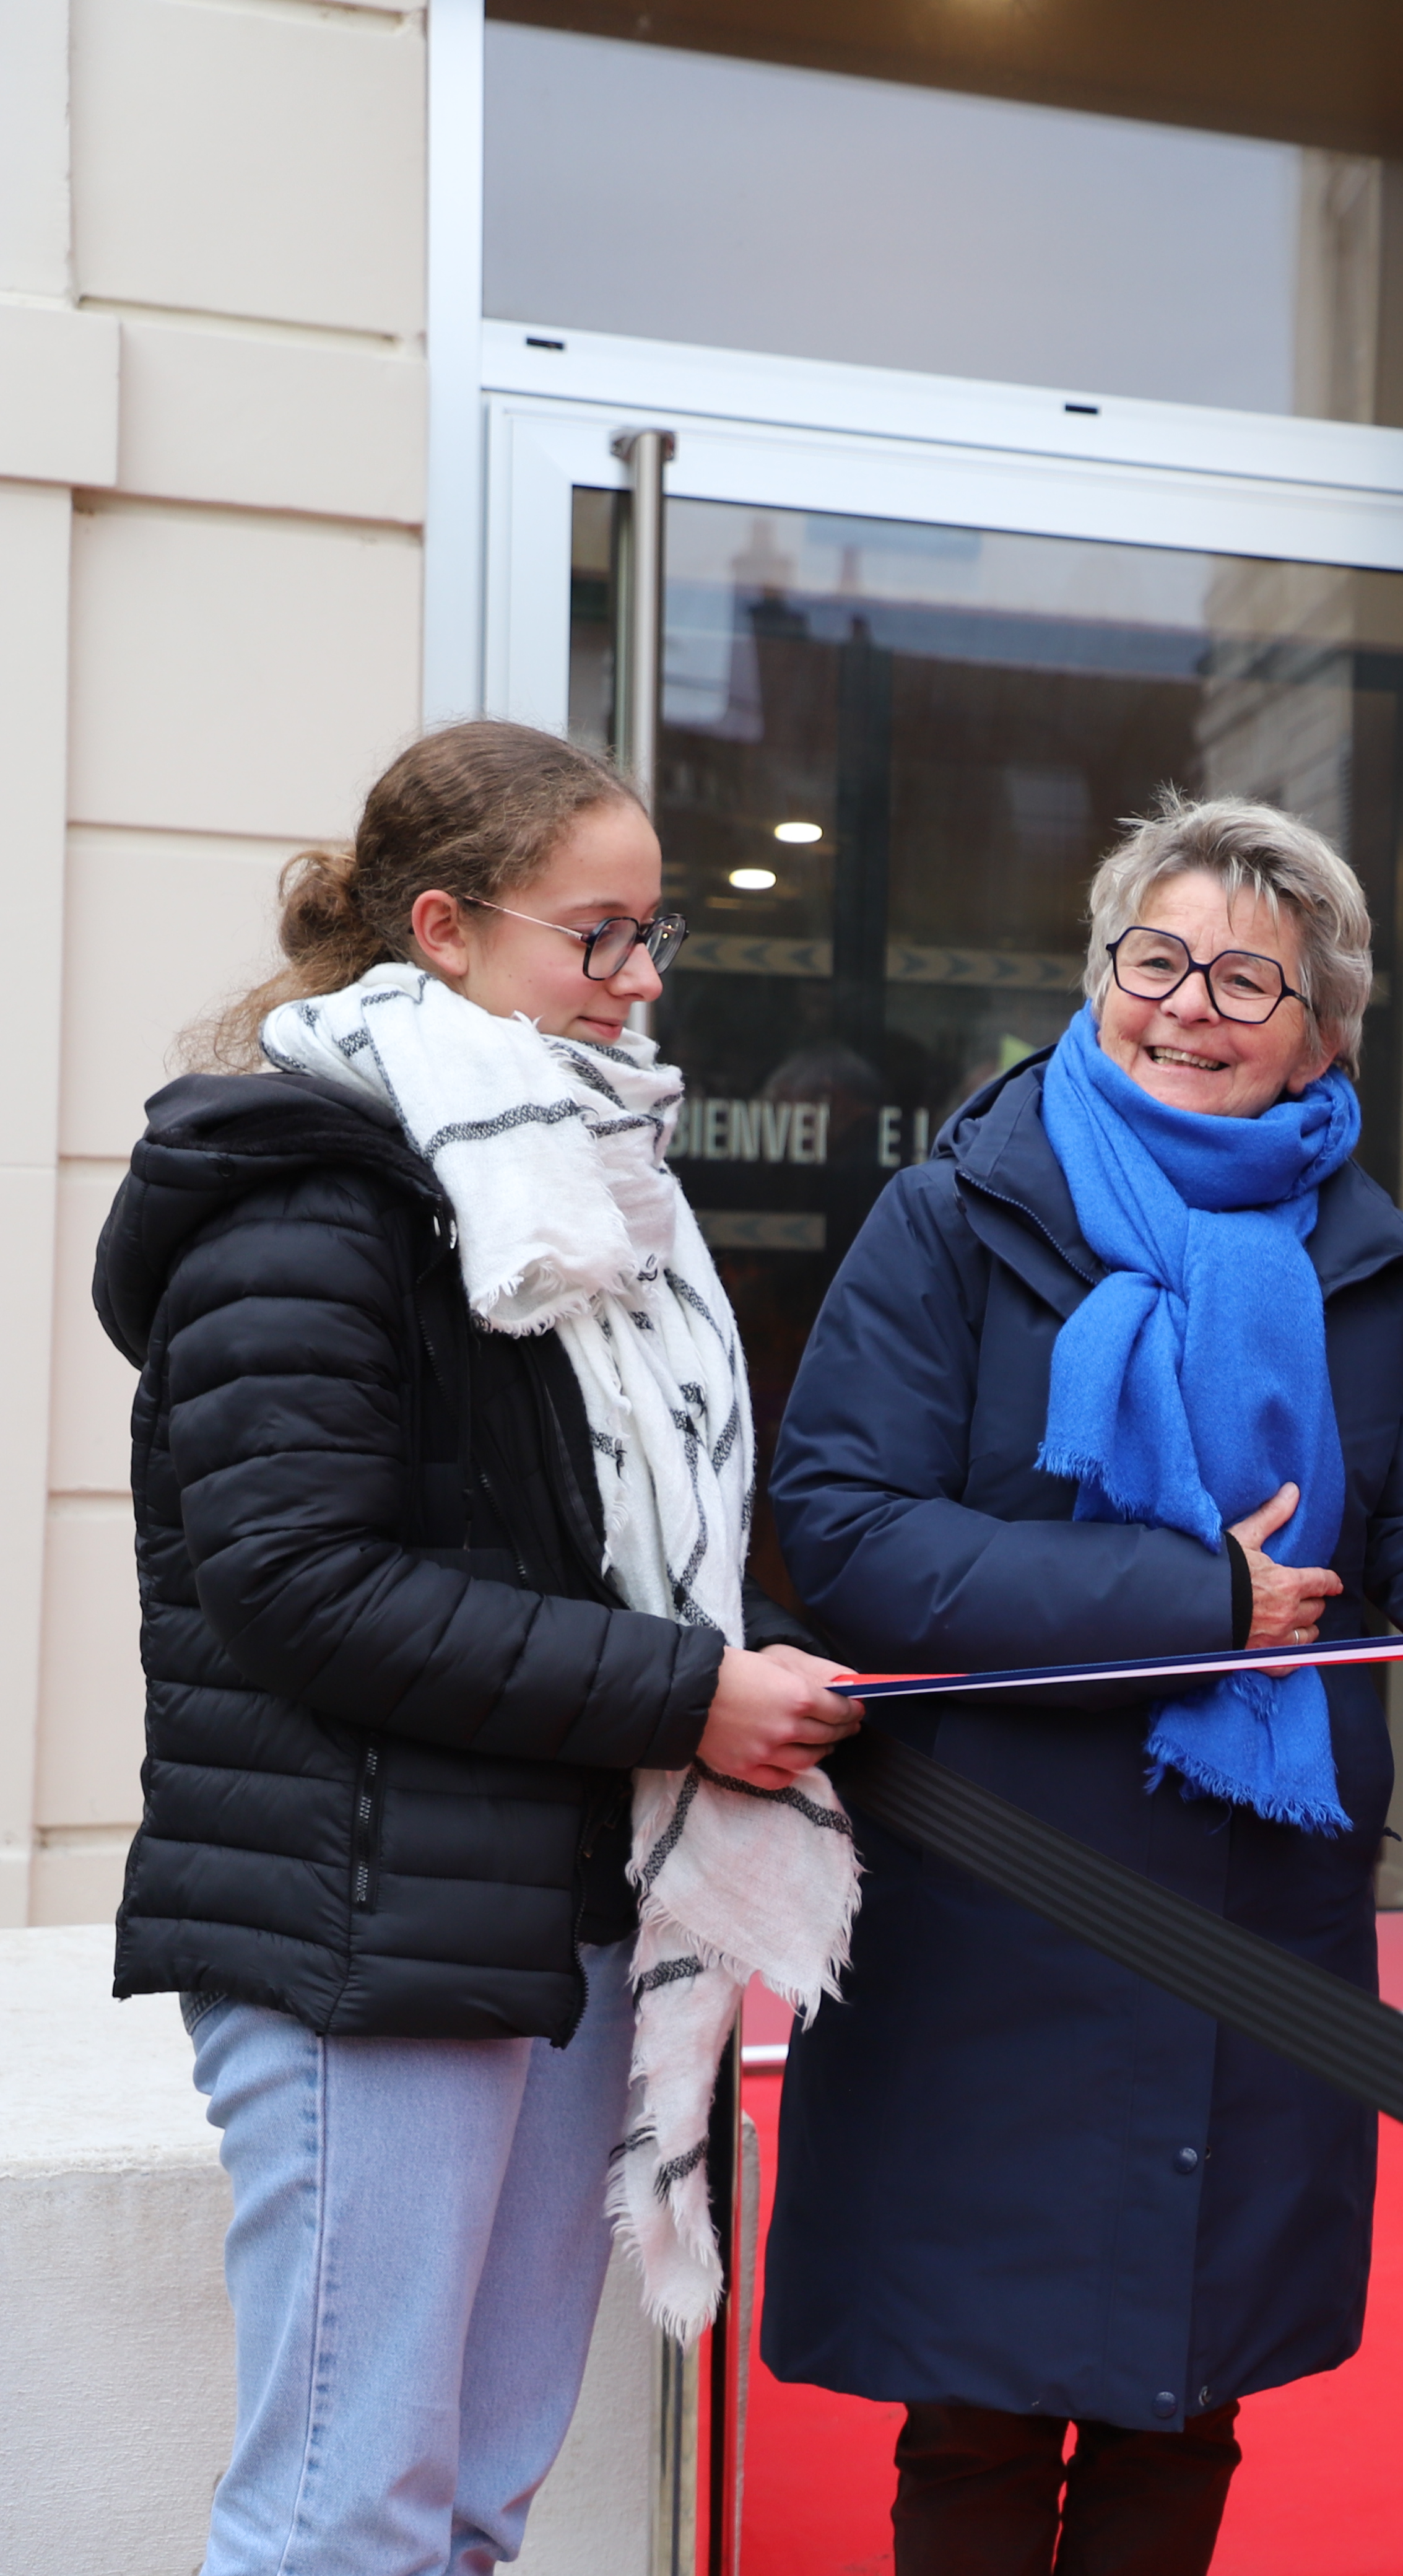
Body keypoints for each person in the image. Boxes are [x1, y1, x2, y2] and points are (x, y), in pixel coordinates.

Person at [763, 795, 1403, 2576]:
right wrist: (1190, 1594)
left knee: (1188, 2382)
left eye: (1249, 980)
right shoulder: (955, 1218)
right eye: (1156, 962)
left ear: (1324, 1035)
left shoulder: (1360, 1274)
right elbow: (841, 1536)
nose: (1191, 1008)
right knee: (981, 2406)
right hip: (998, 1896)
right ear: (1098, 979)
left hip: (1257, 1911)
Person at [98, 718, 863, 2576]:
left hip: (546, 1907)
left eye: (654, 934)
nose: (641, 981)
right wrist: (692, 1691)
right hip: (361, 1926)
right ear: (442, 928)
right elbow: (300, 1587)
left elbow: (588, 1551)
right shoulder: (309, 1196)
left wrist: (728, 1657)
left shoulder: (566, 1191)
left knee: (470, 2511)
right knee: (342, 2519)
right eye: (597, 935)